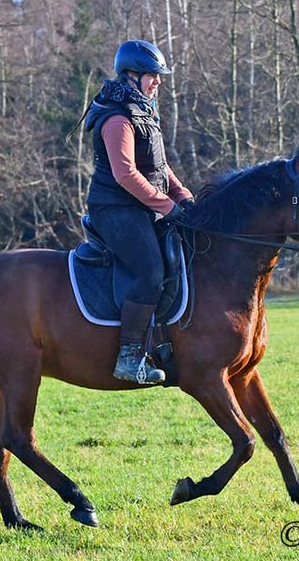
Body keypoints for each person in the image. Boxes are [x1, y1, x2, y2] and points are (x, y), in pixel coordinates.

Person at [83, 39, 194, 385]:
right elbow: (125, 174)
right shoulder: (118, 118)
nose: (158, 81)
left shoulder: (143, 108)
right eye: (152, 76)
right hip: (114, 209)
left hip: (141, 205)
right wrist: (167, 206)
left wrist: (183, 197)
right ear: (131, 76)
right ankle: (129, 356)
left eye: (159, 76)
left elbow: (159, 167)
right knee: (150, 270)